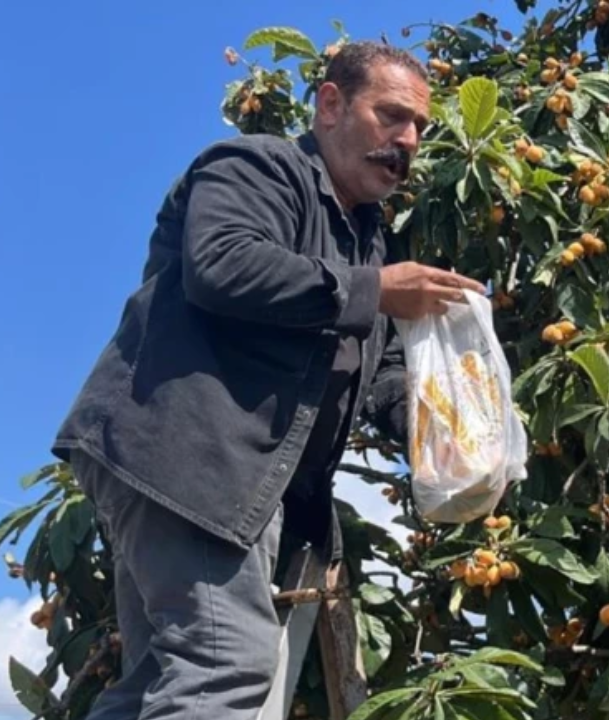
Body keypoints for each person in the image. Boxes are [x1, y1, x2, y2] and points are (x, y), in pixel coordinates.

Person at [49, 41, 484, 720]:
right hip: (187, 456)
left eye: (420, 128)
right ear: (331, 104)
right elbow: (221, 265)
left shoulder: (366, 238)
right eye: (393, 116)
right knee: (224, 666)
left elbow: (378, 373)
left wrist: (450, 436)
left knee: (160, 680)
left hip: (217, 479)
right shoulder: (257, 166)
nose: (407, 140)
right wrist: (373, 289)